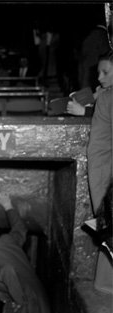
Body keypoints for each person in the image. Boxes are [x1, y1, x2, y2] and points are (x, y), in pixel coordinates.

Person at [86, 51, 113, 292]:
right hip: (104, 172)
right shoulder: (106, 97)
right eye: (99, 72)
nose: (100, 77)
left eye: (106, 72)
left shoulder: (106, 97)